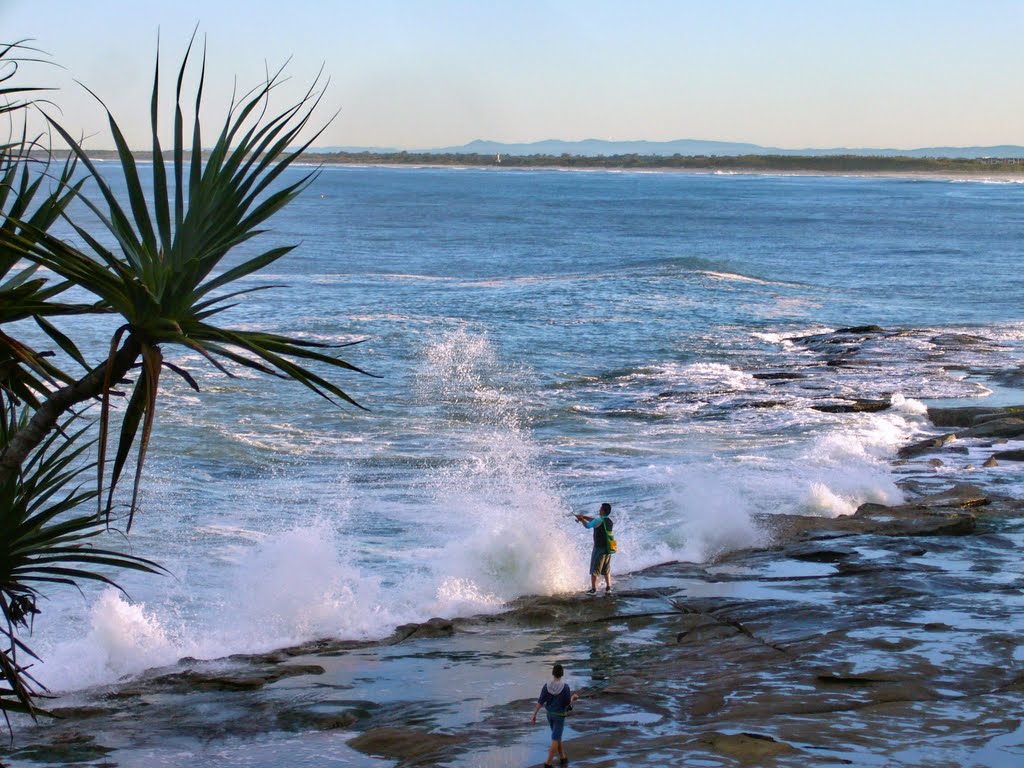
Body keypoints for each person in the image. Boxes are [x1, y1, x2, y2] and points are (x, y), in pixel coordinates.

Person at [530, 662, 579, 768]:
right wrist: (573, 699)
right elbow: (567, 704)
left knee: (557, 736)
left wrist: (534, 714)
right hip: (559, 716)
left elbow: (540, 701)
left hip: (549, 715)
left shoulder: (546, 686)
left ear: (553, 673)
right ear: (562, 674)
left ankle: (563, 757)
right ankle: (548, 764)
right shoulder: (565, 687)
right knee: (555, 739)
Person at [574, 502, 614, 594]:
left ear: (603, 511)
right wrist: (584, 517)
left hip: (599, 548)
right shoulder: (609, 521)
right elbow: (594, 520)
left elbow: (588, 526)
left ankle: (593, 590)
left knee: (595, 569)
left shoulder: (599, 520)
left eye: (600, 508)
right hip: (608, 548)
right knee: (606, 568)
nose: (599, 510)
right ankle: (608, 588)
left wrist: (582, 520)